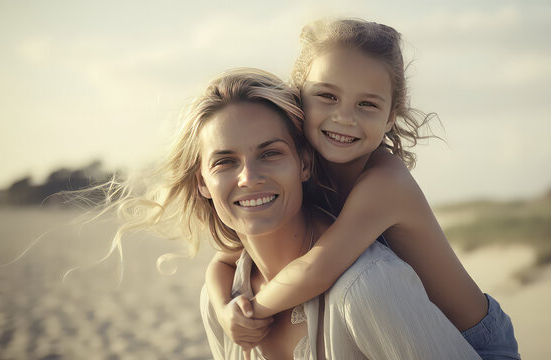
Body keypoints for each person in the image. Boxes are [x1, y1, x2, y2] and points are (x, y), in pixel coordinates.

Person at [206, 19, 520, 360]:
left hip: (474, 341)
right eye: (327, 96)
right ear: (300, 99)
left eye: (366, 105)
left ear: (389, 117)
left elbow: (316, 269)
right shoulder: (309, 172)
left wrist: (253, 311)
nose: (344, 118)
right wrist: (223, 308)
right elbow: (227, 257)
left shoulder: (386, 182)